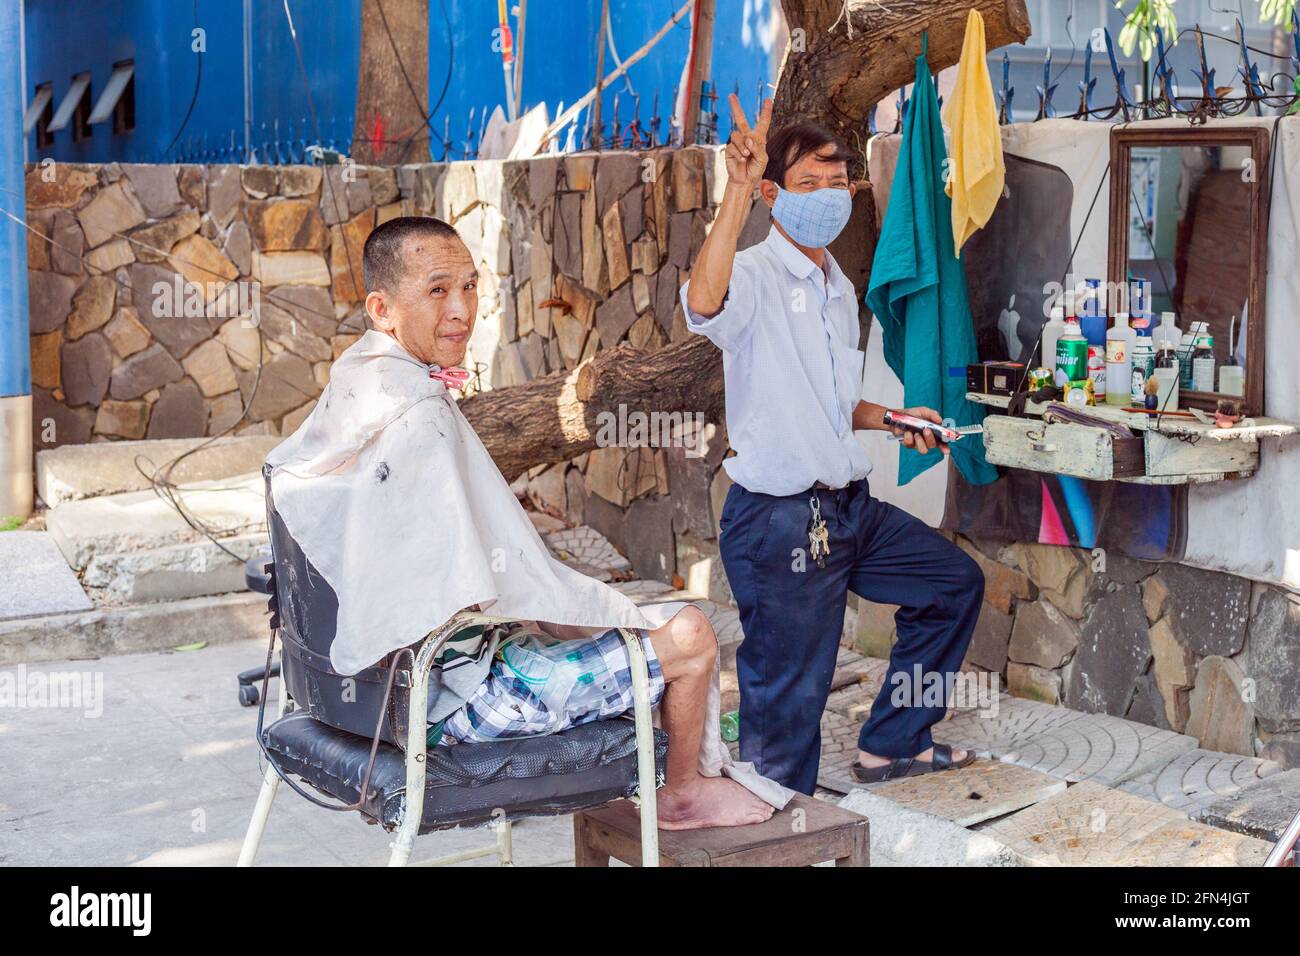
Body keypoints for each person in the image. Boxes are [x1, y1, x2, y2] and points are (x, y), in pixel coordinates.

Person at [269, 215, 777, 830]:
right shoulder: (417, 416)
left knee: (590, 619)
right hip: (450, 703)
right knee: (691, 634)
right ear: (382, 308)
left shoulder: (356, 384)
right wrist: (595, 614)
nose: (461, 309)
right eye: (436, 291)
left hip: (358, 699)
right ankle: (682, 795)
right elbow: (495, 588)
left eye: (469, 286)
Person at [680, 97, 985, 794]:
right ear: (772, 193)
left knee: (951, 585)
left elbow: (828, 404)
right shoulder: (752, 275)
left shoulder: (836, 285)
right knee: (791, 698)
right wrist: (732, 196)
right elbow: (702, 302)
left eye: (836, 183)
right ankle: (768, 826)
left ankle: (892, 744)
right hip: (780, 519)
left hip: (850, 509)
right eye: (806, 184)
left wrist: (892, 418)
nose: (825, 197)